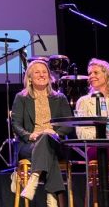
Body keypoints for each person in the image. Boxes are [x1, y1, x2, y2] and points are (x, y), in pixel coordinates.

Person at [11, 59, 73, 207]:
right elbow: (16, 124)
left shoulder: (60, 98)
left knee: (47, 138)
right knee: (48, 151)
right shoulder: (21, 97)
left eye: (44, 72)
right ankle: (52, 197)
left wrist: (55, 133)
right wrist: (29, 135)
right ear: (30, 78)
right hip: (30, 144)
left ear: (49, 76)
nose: (41, 75)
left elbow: (69, 124)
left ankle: (34, 178)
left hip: (55, 142)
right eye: (37, 72)